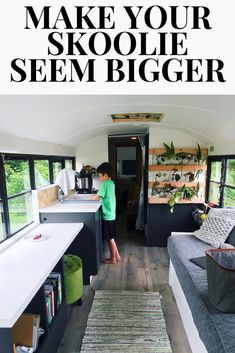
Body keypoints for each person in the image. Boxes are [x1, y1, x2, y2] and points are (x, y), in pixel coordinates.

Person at [91, 162, 121, 264]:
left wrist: (91, 197)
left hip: (107, 215)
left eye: (99, 175)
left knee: (110, 239)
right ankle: (117, 255)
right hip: (112, 214)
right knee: (111, 237)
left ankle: (113, 258)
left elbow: (97, 197)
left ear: (105, 174)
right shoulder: (111, 183)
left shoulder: (104, 184)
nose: (99, 178)